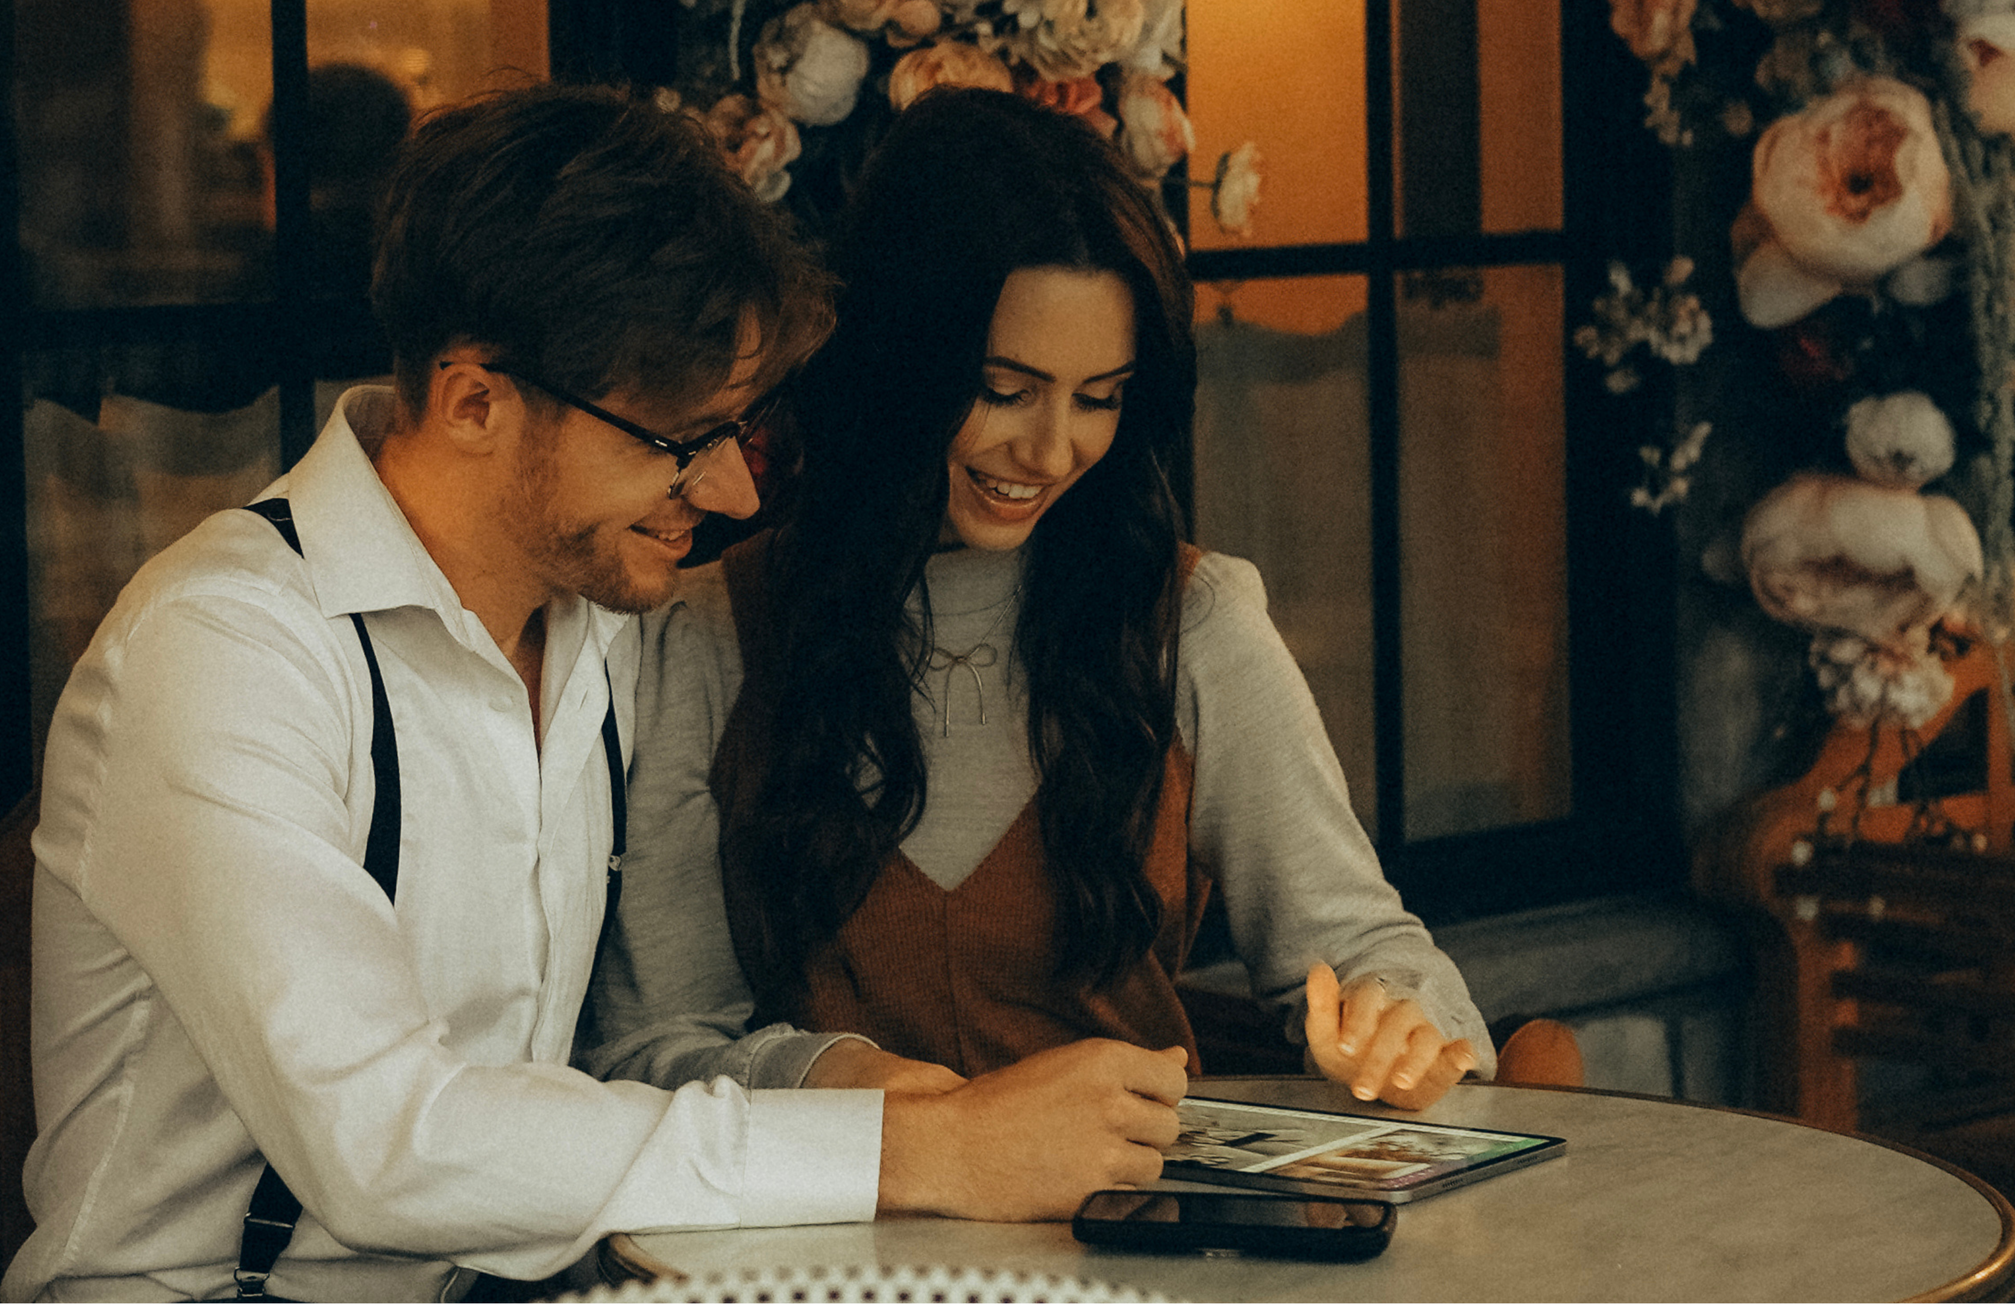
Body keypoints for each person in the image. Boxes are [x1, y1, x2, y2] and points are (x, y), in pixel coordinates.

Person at [7, 83, 1187, 1304]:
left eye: (740, 432)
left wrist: (855, 1083)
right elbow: (383, 1142)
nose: (730, 492)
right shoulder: (230, 649)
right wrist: (922, 1151)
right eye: (679, 440)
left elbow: (597, 1065)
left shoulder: (607, 627)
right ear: (475, 402)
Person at [581, 89, 1495, 1124]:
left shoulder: (1192, 622)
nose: (1053, 450)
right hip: (831, 1252)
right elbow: (650, 1042)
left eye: (1098, 397)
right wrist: (826, 1074)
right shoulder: (709, 632)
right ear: (898, 365)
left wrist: (1399, 1022)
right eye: (1005, 389)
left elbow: (1370, 950)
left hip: (1133, 1251)